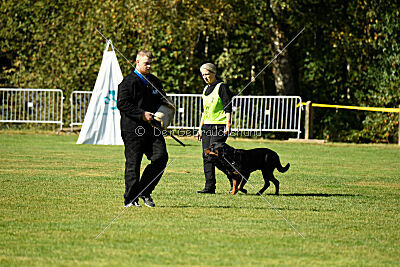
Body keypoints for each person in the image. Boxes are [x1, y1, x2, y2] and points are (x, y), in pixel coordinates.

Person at [117, 50, 169, 207]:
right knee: (134, 164)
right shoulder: (128, 82)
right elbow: (122, 104)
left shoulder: (154, 81)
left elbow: (163, 100)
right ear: (137, 62)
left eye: (151, 63)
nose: (149, 66)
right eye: (146, 63)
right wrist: (141, 114)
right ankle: (130, 199)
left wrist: (164, 115)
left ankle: (145, 191)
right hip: (133, 130)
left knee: (161, 157)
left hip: (152, 129)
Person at [196, 63, 233, 194]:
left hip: (219, 125)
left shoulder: (221, 87)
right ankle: (209, 187)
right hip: (207, 125)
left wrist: (228, 124)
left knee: (217, 156)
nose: (205, 77)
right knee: (206, 155)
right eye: (203, 75)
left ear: (214, 73)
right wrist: (200, 128)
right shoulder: (205, 89)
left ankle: (233, 178)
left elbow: (228, 106)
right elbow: (204, 112)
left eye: (207, 74)